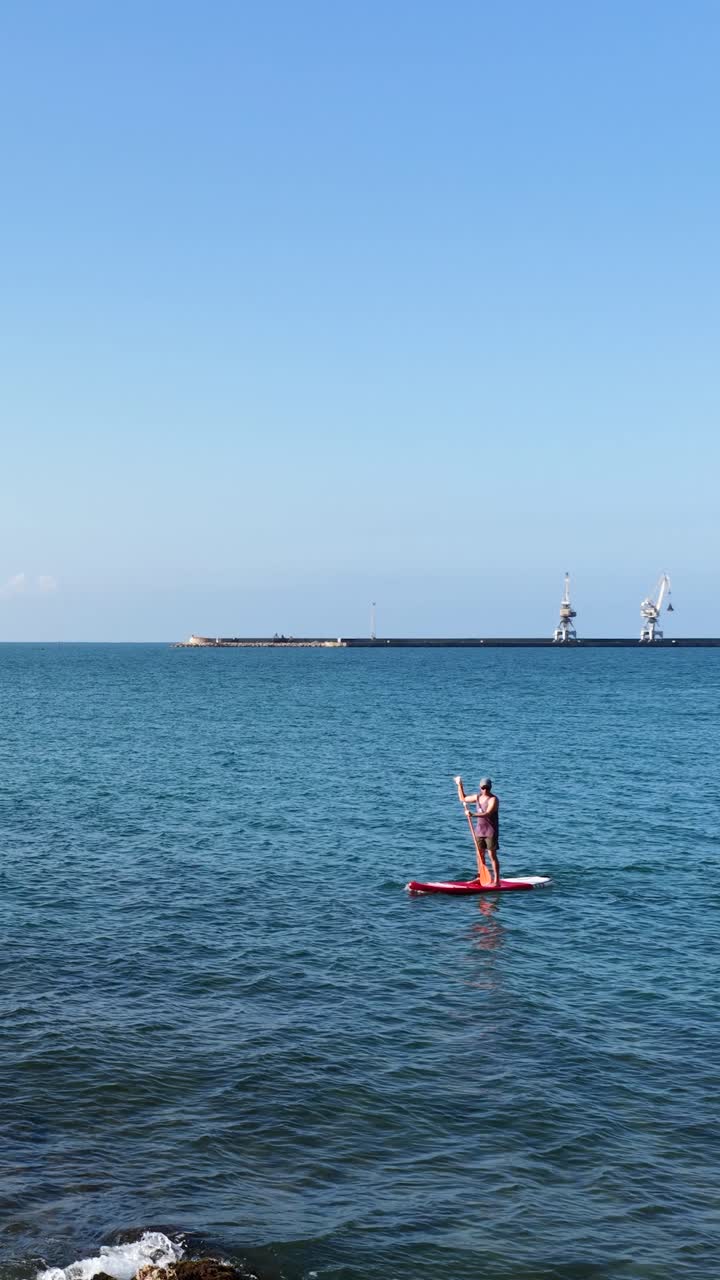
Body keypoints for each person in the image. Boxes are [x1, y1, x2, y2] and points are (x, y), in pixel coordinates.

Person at [454, 775, 501, 887]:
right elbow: (463, 798)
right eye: (483, 788)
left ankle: (497, 881)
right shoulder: (478, 797)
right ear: (480, 787)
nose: (485, 790)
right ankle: (480, 877)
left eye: (487, 788)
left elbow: (488, 813)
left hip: (490, 832)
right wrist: (460, 785)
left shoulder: (493, 799)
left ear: (490, 788)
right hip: (479, 831)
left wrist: (472, 814)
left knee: (492, 856)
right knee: (479, 855)